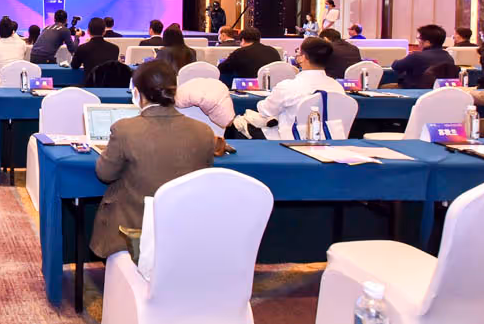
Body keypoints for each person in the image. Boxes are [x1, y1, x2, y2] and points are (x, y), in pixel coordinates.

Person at [90, 60, 217, 258]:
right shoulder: (205, 131)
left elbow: (105, 174)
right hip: (185, 226)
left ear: (137, 93)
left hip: (133, 230)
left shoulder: (124, 129)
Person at [247, 37, 344, 139]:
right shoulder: (338, 87)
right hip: (333, 140)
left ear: (302, 57)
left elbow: (266, 111)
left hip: (291, 140)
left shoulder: (288, 86)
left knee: (243, 124)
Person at [391, 25, 455, 89]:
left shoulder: (416, 56)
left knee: (386, 87)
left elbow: (395, 66)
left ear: (427, 43)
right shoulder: (449, 58)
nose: (418, 41)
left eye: (419, 38)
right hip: (439, 91)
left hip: (413, 90)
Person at [218, 28, 283, 81]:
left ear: (243, 40)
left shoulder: (240, 52)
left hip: (248, 87)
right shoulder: (273, 50)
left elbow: (221, 68)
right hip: (272, 86)